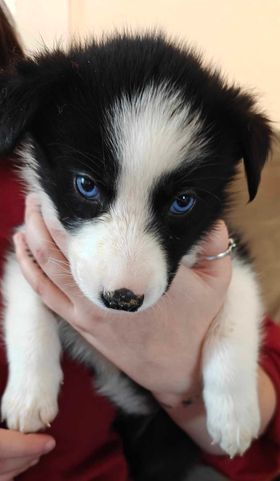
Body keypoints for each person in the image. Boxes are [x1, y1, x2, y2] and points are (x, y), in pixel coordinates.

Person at [0, 3, 279, 480]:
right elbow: (26, 278)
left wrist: (212, 381)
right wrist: (32, 371)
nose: (123, 279)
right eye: (88, 187)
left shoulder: (211, 246)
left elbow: (237, 288)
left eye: (181, 202)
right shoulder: (47, 113)